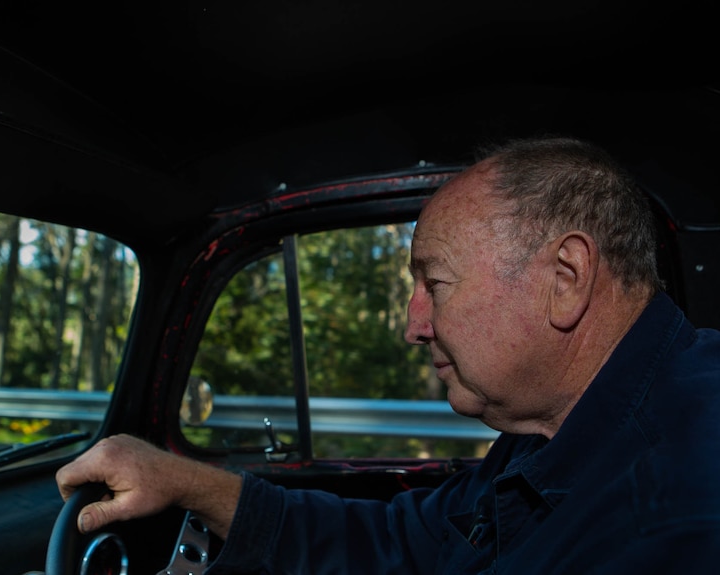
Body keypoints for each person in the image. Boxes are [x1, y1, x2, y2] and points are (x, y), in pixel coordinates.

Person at [56, 136, 720, 573]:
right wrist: (188, 483)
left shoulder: (681, 511)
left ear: (566, 278)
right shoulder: (554, 431)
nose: (413, 324)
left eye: (434, 282)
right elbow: (411, 543)